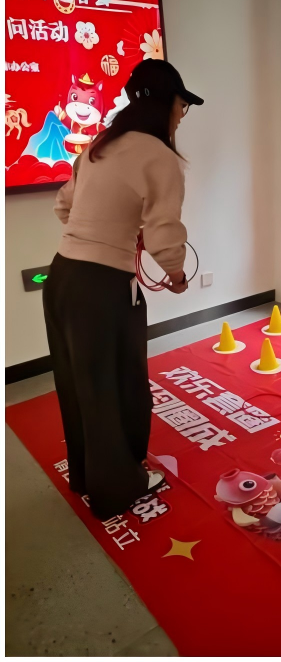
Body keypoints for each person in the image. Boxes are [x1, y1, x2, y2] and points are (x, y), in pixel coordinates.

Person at [44, 59, 201, 521]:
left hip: (62, 278)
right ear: (165, 103)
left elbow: (63, 206)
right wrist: (177, 277)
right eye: (181, 106)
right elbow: (163, 234)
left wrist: (102, 233)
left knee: (80, 383)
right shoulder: (161, 158)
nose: (180, 116)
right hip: (104, 289)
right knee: (120, 387)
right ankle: (118, 488)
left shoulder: (99, 145)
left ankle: (86, 477)